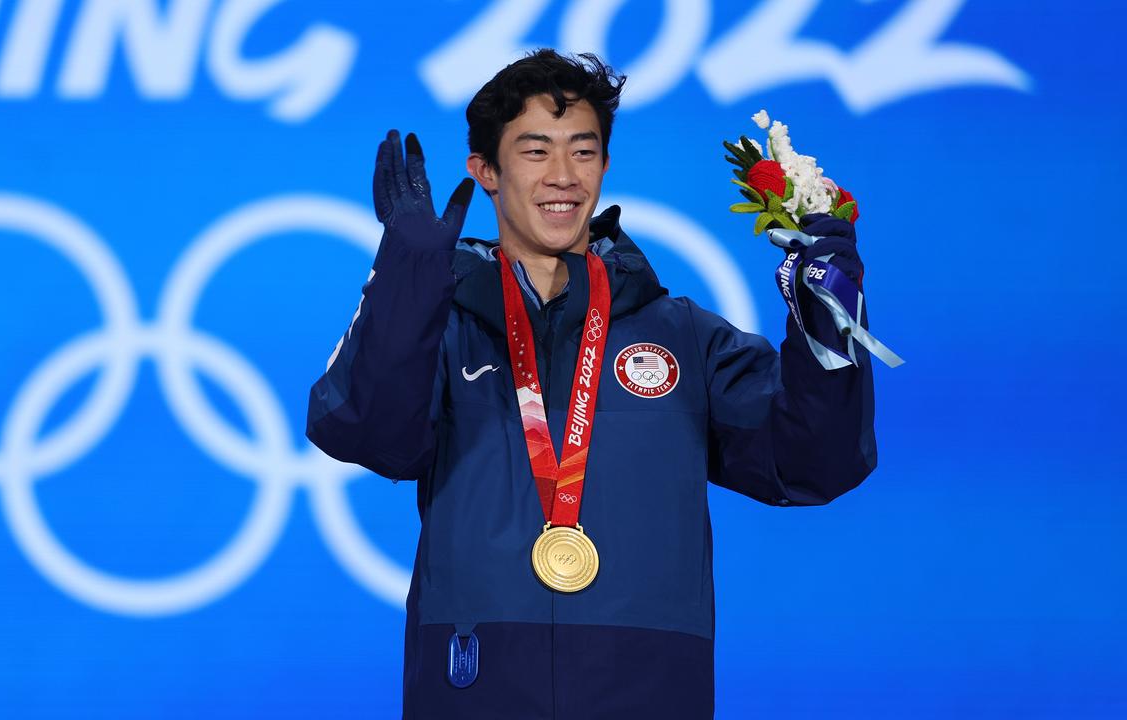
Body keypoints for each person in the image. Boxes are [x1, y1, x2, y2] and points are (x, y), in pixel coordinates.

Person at [306, 49, 876, 719]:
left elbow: (815, 463)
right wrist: (408, 280)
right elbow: (367, 433)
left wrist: (828, 317)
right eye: (534, 151)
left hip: (644, 690)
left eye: (583, 152)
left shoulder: (684, 337)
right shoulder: (442, 326)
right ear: (485, 172)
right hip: (477, 686)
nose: (562, 177)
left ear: (604, 167)